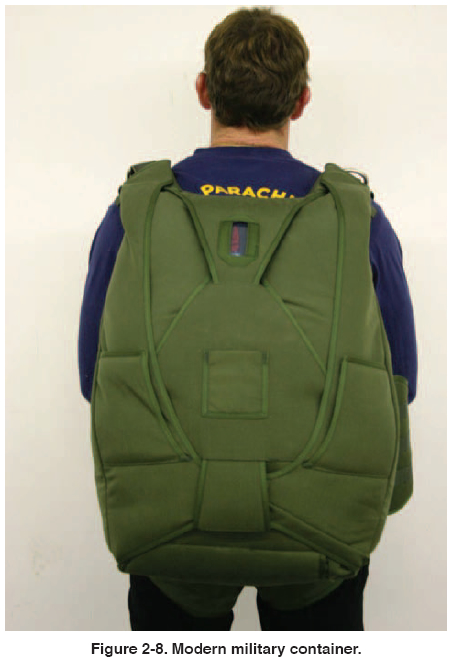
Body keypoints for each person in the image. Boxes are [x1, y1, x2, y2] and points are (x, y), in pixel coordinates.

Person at [78, 7, 417, 632]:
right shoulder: (358, 216)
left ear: (204, 91)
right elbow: (402, 382)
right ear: (302, 101)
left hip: (165, 523)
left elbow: (91, 374)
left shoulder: (137, 209)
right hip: (324, 529)